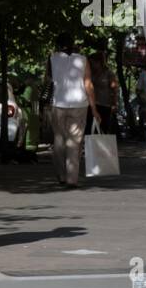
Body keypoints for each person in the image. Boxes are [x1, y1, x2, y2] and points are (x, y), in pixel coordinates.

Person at [47, 34, 103, 187]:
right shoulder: (83, 60)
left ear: (58, 45)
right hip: (79, 104)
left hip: (58, 104)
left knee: (59, 141)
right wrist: (94, 109)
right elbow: (88, 84)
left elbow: (49, 81)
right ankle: (72, 179)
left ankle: (61, 176)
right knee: (75, 143)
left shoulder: (52, 58)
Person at [88, 49, 118, 134]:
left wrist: (114, 104)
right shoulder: (90, 73)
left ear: (99, 62)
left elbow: (114, 89)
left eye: (93, 62)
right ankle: (93, 146)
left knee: (103, 127)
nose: (91, 64)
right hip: (92, 105)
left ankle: (103, 146)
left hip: (105, 104)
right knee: (91, 128)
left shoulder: (109, 73)